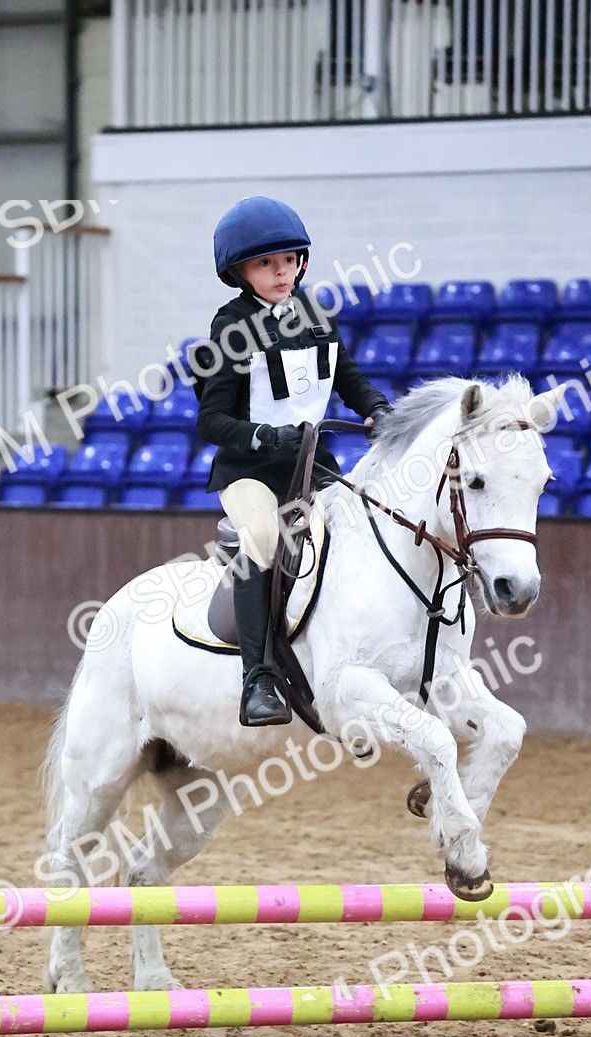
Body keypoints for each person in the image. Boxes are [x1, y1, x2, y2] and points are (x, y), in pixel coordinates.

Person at [194, 195, 393, 728]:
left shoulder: (315, 313)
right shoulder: (230, 327)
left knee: (367, 524)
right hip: (248, 469)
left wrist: (377, 409)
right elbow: (211, 421)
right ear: (239, 271)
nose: (280, 272)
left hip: (311, 463)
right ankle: (257, 679)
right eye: (265, 263)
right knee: (262, 539)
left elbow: (348, 377)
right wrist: (266, 436)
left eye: (288, 260)